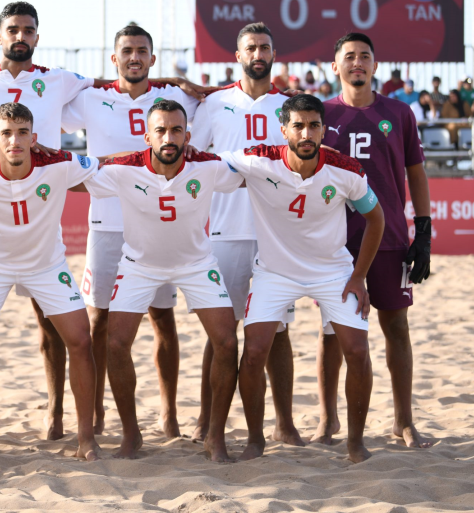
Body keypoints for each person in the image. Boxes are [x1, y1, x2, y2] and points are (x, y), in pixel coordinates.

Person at [0, 1, 209, 440]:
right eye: (13, 29)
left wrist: (173, 81)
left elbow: (118, 81)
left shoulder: (59, 80)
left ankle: (63, 412)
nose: (20, 36)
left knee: (62, 321)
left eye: (27, 29)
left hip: (47, 215)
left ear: (37, 37)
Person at [73, 100, 241, 462]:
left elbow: (253, 172)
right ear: (147, 136)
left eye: (177, 130)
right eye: (161, 130)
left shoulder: (209, 166)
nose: (169, 137)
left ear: (188, 135)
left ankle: (215, 437)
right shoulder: (124, 168)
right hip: (139, 265)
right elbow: (75, 177)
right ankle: (131, 436)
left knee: (227, 342)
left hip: (196, 263)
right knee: (116, 344)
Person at [222, 94, 385, 464]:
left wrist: (359, 276)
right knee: (253, 353)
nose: (306, 133)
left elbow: (377, 220)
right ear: (284, 130)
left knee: (358, 352)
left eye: (314, 125)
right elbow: (206, 165)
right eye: (298, 125)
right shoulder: (257, 159)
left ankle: (356, 444)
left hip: (333, 271)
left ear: (324, 129)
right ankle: (255, 440)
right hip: (275, 272)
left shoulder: (346, 169)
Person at [0, 102, 102, 460]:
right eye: (7, 134)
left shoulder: (59, 163)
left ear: (34, 137)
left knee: (80, 339)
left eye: (22, 132)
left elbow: (109, 167)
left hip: (46, 264)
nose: (15, 140)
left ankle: (86, 438)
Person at [61, 24, 201, 438]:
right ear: (115, 59)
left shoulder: (178, 100)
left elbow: (214, 103)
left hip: (159, 225)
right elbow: (39, 95)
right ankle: (101, 411)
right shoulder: (90, 99)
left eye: (142, 51)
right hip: (106, 226)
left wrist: (179, 82)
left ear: (152, 59)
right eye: (127, 51)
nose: (134, 57)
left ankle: (169, 411)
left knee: (163, 319)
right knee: (100, 320)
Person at [188, 21, 302, 447]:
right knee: (221, 333)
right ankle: (205, 417)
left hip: (275, 235)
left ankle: (285, 423)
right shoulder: (214, 105)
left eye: (265, 47)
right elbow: (193, 160)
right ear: (237, 55)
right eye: (251, 47)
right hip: (224, 232)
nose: (258, 54)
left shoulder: (290, 107)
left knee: (279, 332)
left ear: (274, 55)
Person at [318, 32, 433, 450]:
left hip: (390, 240)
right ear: (335, 67)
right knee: (332, 331)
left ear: (375, 66)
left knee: (395, 326)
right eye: (349, 57)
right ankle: (328, 419)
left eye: (365, 56)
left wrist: (424, 229)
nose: (357, 63)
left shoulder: (399, 113)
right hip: (335, 242)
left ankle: (403, 420)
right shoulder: (322, 113)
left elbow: (416, 173)